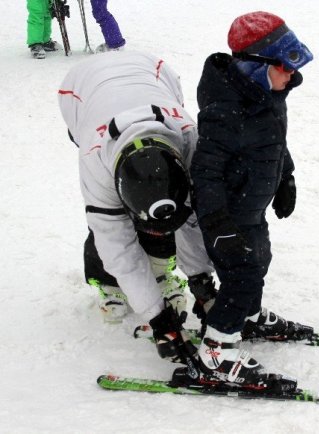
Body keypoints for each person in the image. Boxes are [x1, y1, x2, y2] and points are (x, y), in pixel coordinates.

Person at [58, 50, 215, 363]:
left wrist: (202, 282)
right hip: (79, 90)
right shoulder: (96, 162)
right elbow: (113, 239)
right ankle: (106, 278)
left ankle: (159, 269)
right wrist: (158, 318)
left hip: (154, 72)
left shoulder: (192, 143)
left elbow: (193, 218)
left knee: (175, 211)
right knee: (109, 219)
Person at [190, 11, 314, 386]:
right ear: (257, 67)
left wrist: (286, 176)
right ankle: (215, 352)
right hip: (227, 217)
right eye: (284, 67)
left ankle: (248, 316)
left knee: (259, 262)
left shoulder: (270, 94)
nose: (290, 74)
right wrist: (218, 226)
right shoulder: (225, 112)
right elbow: (205, 174)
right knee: (241, 278)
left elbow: (275, 140)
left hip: (252, 207)